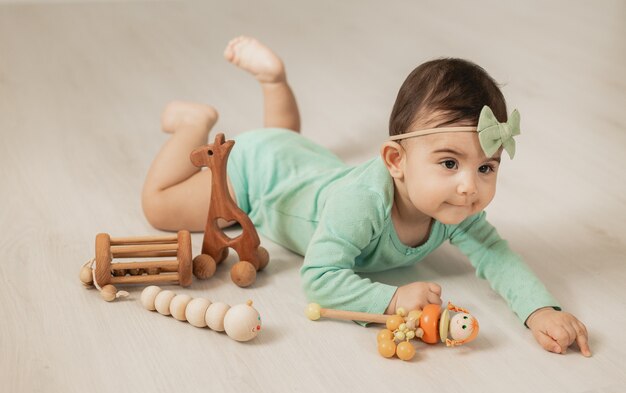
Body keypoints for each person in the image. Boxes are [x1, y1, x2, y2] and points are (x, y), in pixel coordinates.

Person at [141, 36, 591, 357]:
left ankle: (274, 84)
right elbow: (318, 276)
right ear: (396, 161)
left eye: (486, 167)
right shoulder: (362, 204)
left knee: (284, 141)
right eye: (450, 163)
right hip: (258, 174)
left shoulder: (456, 206)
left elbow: (495, 253)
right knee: (159, 205)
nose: (468, 185)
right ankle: (192, 124)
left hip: (303, 163)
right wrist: (392, 301)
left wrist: (539, 310)